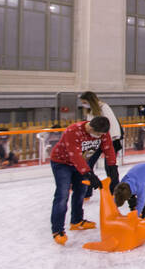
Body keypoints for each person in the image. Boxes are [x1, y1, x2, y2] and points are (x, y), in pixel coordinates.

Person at [49, 116, 118, 245]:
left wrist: (113, 168)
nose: (100, 137)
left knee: (81, 191)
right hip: (62, 163)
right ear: (91, 128)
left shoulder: (103, 132)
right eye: (98, 134)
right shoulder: (73, 131)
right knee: (63, 194)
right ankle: (57, 230)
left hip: (81, 164)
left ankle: (76, 220)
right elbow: (75, 156)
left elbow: (109, 149)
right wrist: (89, 174)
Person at [80, 91, 123, 196]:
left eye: (85, 102)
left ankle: (115, 191)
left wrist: (113, 138)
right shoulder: (90, 111)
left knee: (110, 166)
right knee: (87, 163)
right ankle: (87, 190)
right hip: (95, 142)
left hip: (110, 140)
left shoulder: (104, 107)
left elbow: (112, 123)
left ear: (91, 101)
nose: (83, 104)